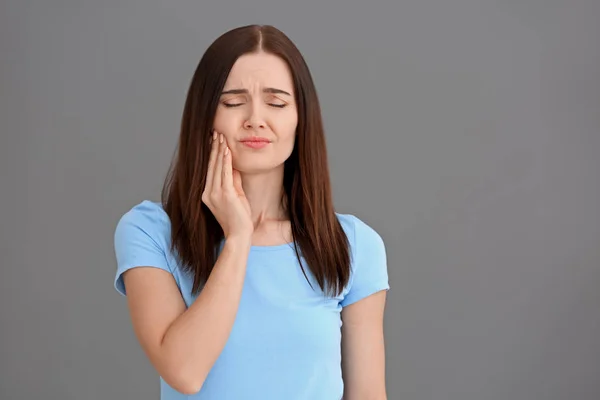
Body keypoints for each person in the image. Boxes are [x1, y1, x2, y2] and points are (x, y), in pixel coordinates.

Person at [113, 24, 390, 400]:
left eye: (276, 103)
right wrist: (238, 237)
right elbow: (184, 371)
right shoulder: (149, 231)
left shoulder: (353, 245)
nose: (255, 119)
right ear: (205, 116)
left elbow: (367, 395)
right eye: (232, 102)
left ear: (300, 119)